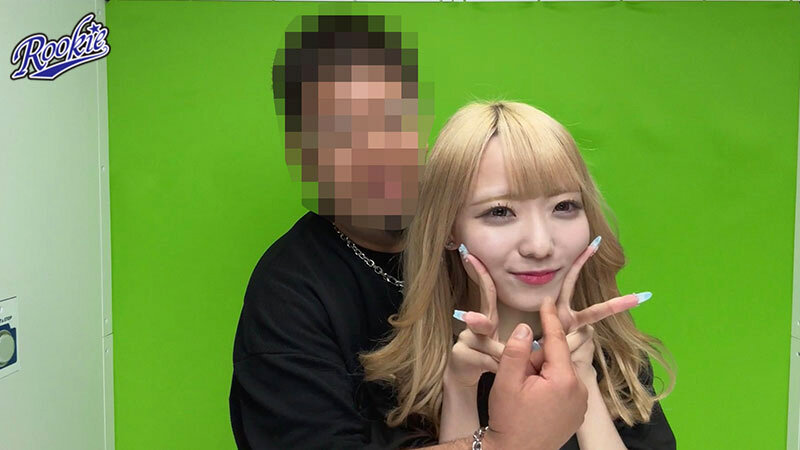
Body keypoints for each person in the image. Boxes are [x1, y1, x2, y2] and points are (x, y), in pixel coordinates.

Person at [230, 15, 592, 450]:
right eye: (341, 133)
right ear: (305, 154)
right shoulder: (289, 294)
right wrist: (504, 445)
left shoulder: (515, 249)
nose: (376, 150)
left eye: (390, 119)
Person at [361, 101, 677, 449]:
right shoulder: (403, 376)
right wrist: (461, 391)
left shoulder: (615, 358)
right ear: (448, 229)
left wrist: (582, 379)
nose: (540, 245)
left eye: (564, 206)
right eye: (500, 212)